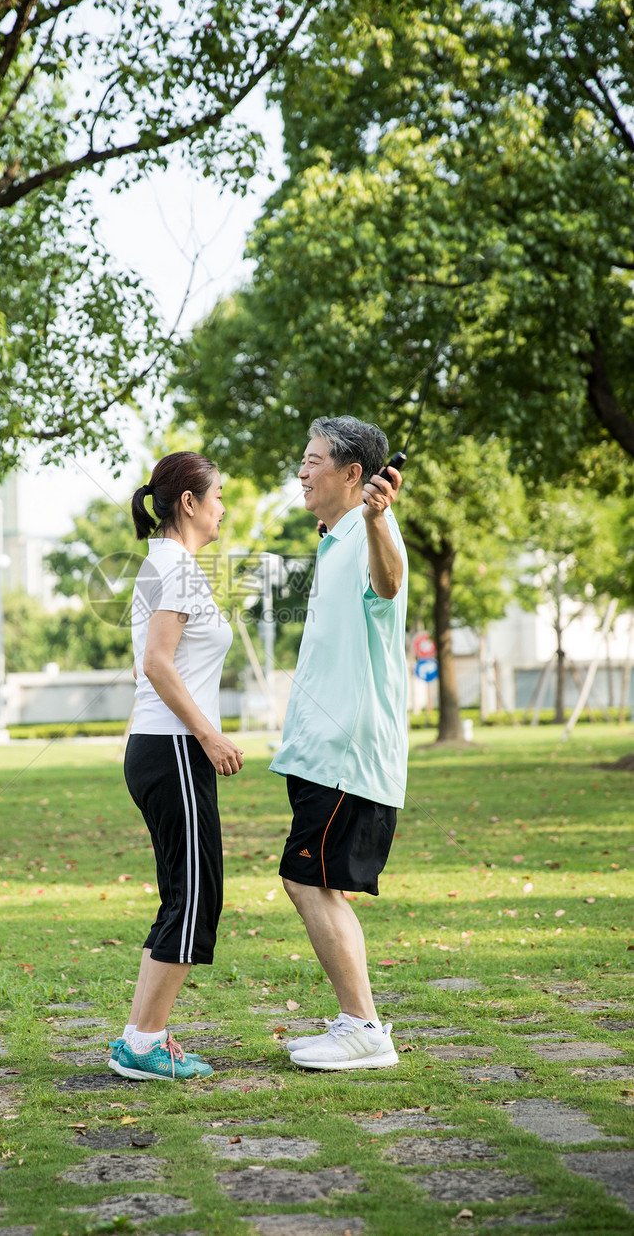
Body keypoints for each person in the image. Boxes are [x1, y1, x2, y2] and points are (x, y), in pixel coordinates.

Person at [269, 416, 408, 1071]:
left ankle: (363, 1028)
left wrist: (379, 519)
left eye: (313, 459)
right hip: (321, 751)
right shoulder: (332, 541)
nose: (302, 470)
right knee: (323, 883)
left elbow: (390, 583)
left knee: (306, 879)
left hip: (347, 751)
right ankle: (359, 1023)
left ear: (353, 474)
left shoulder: (371, 533)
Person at [109, 451, 244, 1081]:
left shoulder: (165, 565)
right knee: (195, 897)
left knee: (183, 896)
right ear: (188, 503)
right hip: (173, 752)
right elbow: (158, 664)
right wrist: (209, 735)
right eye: (217, 496)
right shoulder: (177, 568)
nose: (223, 508)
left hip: (158, 749)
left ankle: (139, 1036)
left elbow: (145, 664)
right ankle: (145, 1042)